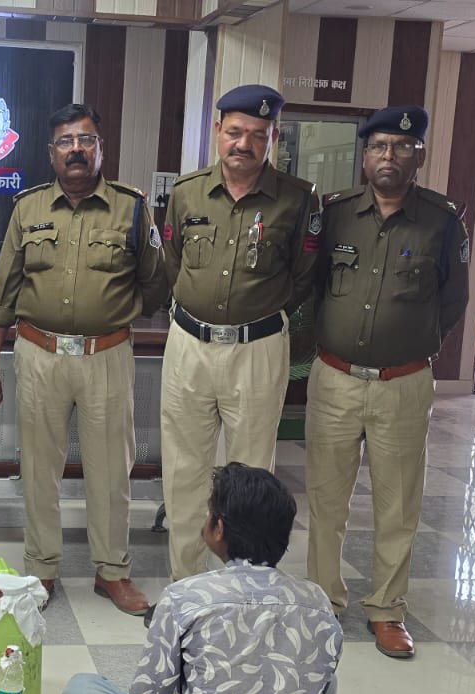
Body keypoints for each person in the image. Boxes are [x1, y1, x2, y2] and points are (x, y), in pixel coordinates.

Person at [0, 103, 168, 615]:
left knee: (111, 471)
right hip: (39, 354)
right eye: (66, 141)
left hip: (106, 355)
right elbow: (4, 289)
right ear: (51, 153)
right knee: (40, 470)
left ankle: (113, 572)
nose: (76, 149)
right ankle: (41, 567)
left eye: (86, 140)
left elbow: (155, 281)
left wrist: (115, 313)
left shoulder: (131, 208)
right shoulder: (28, 208)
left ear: (101, 149)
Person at [304, 105, 468, 660]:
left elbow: (453, 300)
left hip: (403, 383)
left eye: (401, 147)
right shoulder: (335, 214)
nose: (388, 156)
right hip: (335, 378)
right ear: (364, 156)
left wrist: (409, 342)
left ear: (419, 154)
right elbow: (313, 286)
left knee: (398, 505)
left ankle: (387, 610)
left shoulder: (442, 221)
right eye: (377, 147)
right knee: (327, 499)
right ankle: (323, 601)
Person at [159, 84, 321, 581]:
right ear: (217, 130)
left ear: (273, 138)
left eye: (257, 134)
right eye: (234, 132)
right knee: (184, 471)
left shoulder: (297, 199)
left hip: (257, 348)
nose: (243, 144)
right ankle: (186, 586)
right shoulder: (187, 192)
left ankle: (242, 589)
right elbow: (172, 264)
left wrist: (258, 314)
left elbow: (304, 277)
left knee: (251, 474)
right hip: (189, 345)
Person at [62, 463, 342, 694]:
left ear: (218, 528)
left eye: (209, 511)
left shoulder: (183, 597)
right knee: (323, 676)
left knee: (82, 688)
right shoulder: (317, 600)